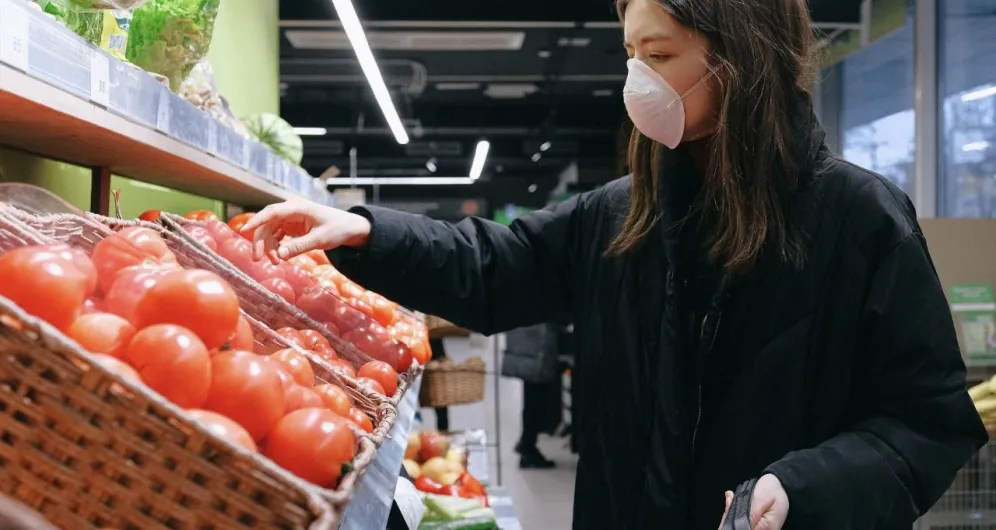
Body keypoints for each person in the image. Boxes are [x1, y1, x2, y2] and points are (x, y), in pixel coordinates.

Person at [241, 0, 989, 527]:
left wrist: (805, 488)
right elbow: (498, 264)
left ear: (742, 59)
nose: (638, 79)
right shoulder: (625, 212)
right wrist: (366, 232)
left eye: (659, 56)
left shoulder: (859, 220)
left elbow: (926, 423)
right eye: (631, 54)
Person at [503, 322, 562, 469]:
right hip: (538, 343)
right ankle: (528, 445)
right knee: (536, 397)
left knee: (532, 395)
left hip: (527, 342)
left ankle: (527, 443)